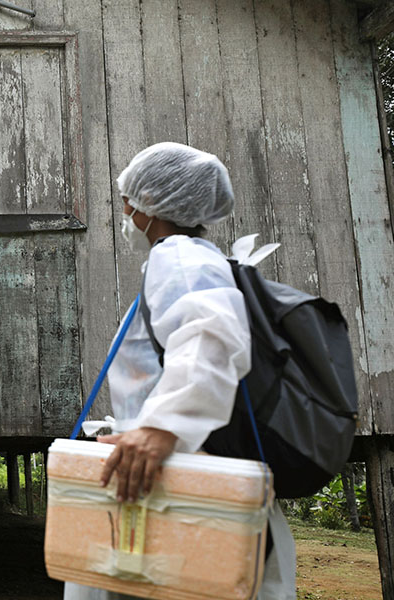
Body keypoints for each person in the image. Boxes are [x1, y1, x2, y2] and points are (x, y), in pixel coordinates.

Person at [64, 142, 296, 600]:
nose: (125, 209)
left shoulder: (180, 259)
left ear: (151, 203)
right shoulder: (190, 259)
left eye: (128, 200)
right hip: (174, 471)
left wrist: (161, 429)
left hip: (179, 479)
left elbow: (212, 333)